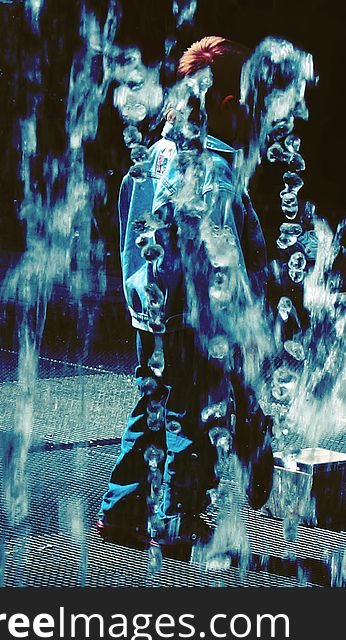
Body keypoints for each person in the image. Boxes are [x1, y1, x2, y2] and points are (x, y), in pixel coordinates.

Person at [97, 36, 273, 548]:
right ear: (229, 107)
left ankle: (122, 509)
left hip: (149, 316)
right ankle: (179, 519)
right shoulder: (214, 171)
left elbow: (132, 231)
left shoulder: (153, 158)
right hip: (197, 320)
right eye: (251, 111)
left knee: (153, 406)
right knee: (192, 420)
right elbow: (225, 264)